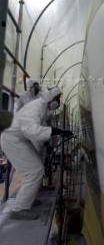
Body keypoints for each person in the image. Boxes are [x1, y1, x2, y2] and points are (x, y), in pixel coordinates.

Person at [0, 85, 73, 220]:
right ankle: (19, 208)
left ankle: (27, 199)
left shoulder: (42, 107)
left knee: (37, 167)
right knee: (34, 170)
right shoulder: (36, 107)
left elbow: (42, 128)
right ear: (50, 98)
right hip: (12, 141)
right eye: (57, 98)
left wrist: (47, 143)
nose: (58, 102)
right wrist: (60, 132)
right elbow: (33, 130)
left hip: (19, 139)